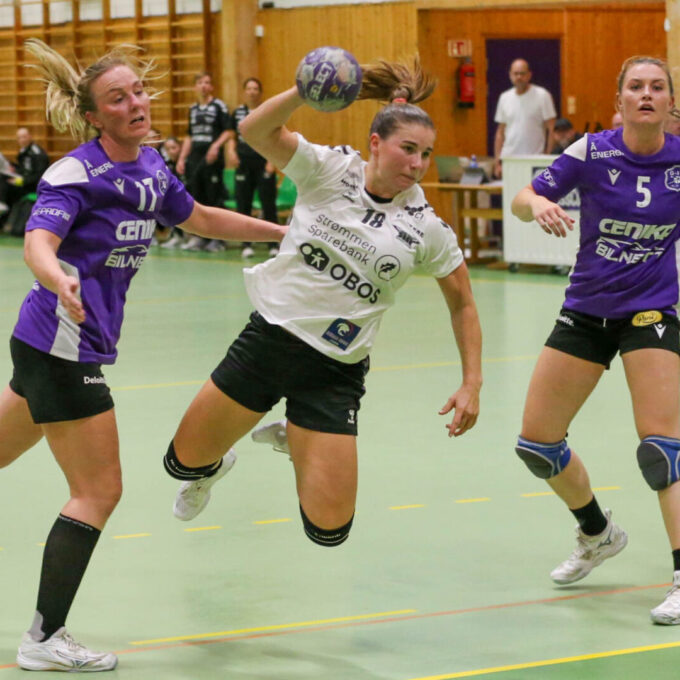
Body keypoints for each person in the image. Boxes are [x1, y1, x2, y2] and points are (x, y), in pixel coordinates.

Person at [1, 38, 285, 672]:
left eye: (138, 92)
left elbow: (200, 217)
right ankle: (44, 638)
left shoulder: (152, 167)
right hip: (62, 346)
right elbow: (37, 241)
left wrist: (280, 232)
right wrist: (57, 277)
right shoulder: (75, 173)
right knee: (98, 492)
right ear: (93, 116)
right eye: (117, 98)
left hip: (46, 345)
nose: (135, 103)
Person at [163, 57, 482, 551]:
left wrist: (471, 382)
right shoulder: (330, 169)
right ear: (375, 143)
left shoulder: (426, 226)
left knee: (328, 531)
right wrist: (302, 92)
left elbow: (462, 301)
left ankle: (297, 432)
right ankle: (214, 467)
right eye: (408, 149)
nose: (418, 164)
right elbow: (253, 130)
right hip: (268, 342)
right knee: (181, 464)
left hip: (335, 370)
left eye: (425, 154)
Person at [511, 56, 680, 625]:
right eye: (636, 86)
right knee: (537, 445)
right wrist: (538, 203)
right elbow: (521, 198)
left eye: (657, 87)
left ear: (670, 102)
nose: (647, 94)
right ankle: (598, 533)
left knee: (662, 449)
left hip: (650, 312)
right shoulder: (591, 152)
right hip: (585, 311)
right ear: (619, 100)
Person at [177, 72, 231, 252]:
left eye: (207, 82)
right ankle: (201, 238)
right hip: (195, 159)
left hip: (212, 159)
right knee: (197, 198)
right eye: (200, 83)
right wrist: (182, 158)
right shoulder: (193, 109)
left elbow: (229, 131)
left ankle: (219, 239)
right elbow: (189, 135)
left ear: (212, 87)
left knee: (214, 198)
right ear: (195, 87)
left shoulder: (219, 106)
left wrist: (216, 146)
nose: (203, 86)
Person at [227, 77, 280, 259]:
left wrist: (271, 162)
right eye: (248, 88)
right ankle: (246, 244)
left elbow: (275, 137)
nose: (252, 92)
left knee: (268, 204)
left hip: (263, 162)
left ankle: (274, 244)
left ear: (260, 92)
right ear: (244, 92)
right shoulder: (238, 113)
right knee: (243, 204)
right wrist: (231, 152)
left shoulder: (267, 111)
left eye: (255, 89)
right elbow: (232, 137)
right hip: (244, 164)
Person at [493, 59, 556, 178]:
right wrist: (497, 162)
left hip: (534, 159)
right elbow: (500, 133)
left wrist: (547, 158)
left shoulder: (542, 95)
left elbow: (552, 129)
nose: (519, 77)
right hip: (509, 159)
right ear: (510, 75)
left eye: (522, 73)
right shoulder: (504, 97)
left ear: (529, 75)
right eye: (515, 73)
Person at [0, 127, 49, 234]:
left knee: (6, 187)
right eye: (19, 138)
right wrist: (14, 168)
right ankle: (2, 216)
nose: (22, 140)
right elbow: (24, 169)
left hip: (32, 186)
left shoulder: (37, 153)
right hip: (23, 182)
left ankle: (2, 206)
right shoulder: (23, 151)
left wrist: (21, 182)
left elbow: (39, 175)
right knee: (3, 177)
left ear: (30, 137)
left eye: (24, 137)